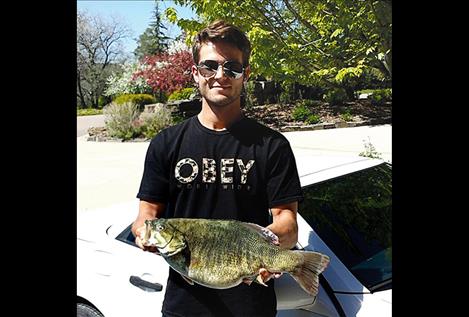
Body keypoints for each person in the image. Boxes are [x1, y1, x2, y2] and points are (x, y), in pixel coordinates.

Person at [131, 20, 303, 317]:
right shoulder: (166, 143)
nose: (220, 75)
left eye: (232, 68)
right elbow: (146, 215)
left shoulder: (272, 146)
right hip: (183, 307)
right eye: (209, 66)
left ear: (245, 75)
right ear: (196, 73)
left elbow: (287, 223)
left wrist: (262, 248)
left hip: (251, 307)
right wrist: (143, 234)